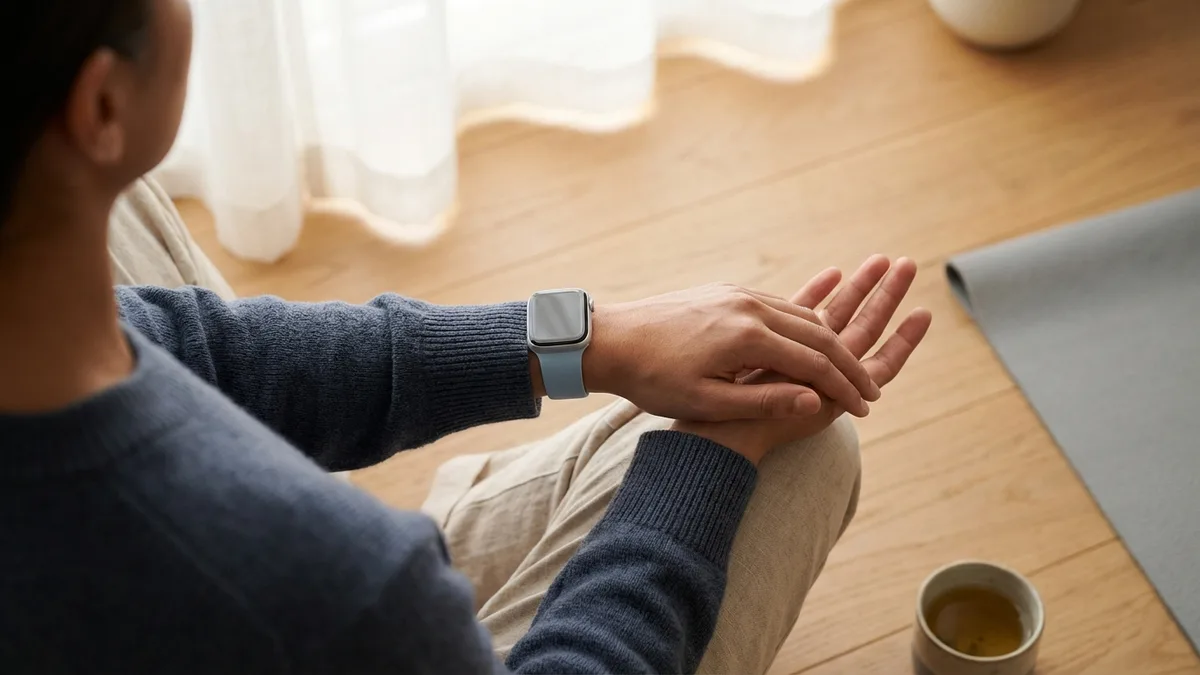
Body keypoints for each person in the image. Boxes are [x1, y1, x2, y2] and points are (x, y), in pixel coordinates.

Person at [0, 1, 932, 673]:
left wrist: (593, 338)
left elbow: (209, 352)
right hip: (363, 625)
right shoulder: (340, 590)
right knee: (802, 445)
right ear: (103, 107)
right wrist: (717, 457)